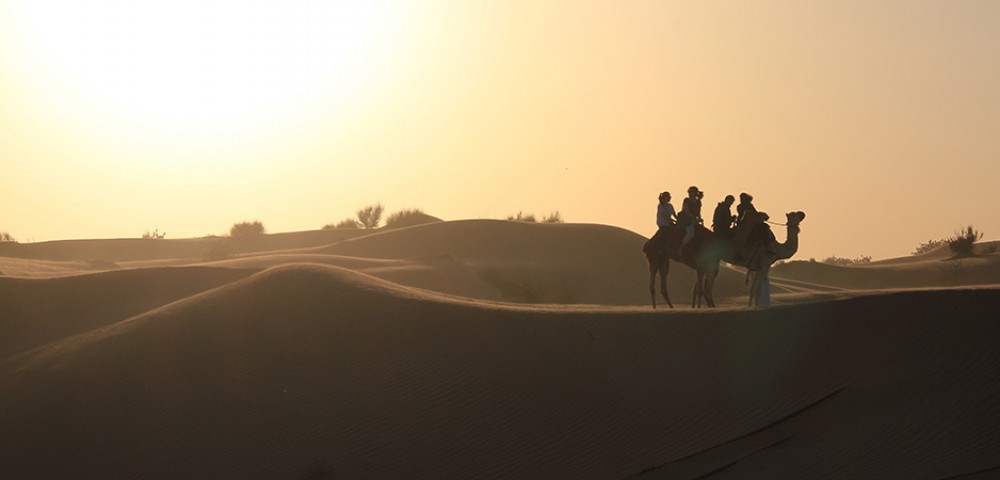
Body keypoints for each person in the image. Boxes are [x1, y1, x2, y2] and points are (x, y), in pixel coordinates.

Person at [678, 186, 703, 255]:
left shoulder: (698, 202)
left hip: (694, 219)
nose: (689, 194)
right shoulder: (686, 200)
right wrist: (693, 218)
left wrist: (700, 218)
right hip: (685, 219)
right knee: (690, 233)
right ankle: (681, 248)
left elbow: (699, 211)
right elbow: (686, 210)